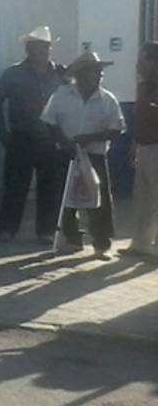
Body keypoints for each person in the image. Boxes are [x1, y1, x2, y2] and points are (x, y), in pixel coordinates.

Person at [43, 51, 126, 258]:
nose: (98, 75)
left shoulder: (108, 99)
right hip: (66, 153)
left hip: (95, 155)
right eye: (93, 71)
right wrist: (63, 142)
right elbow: (49, 121)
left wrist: (92, 137)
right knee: (66, 199)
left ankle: (101, 242)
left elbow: (116, 129)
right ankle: (71, 239)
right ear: (80, 74)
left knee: (100, 200)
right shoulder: (61, 94)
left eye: (99, 72)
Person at [0, 26, 68, 243]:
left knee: (50, 187)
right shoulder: (13, 73)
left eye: (43, 46)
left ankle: (46, 230)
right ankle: (7, 228)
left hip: (51, 138)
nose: (38, 50)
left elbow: (72, 101)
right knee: (15, 185)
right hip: (21, 136)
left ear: (49, 48)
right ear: (27, 49)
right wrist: (2, 132)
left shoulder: (61, 74)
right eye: (33, 46)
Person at [123, 42, 158, 260]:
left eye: (143, 59)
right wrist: (134, 144)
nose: (138, 64)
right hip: (144, 146)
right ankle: (141, 244)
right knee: (143, 198)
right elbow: (140, 117)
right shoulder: (144, 86)